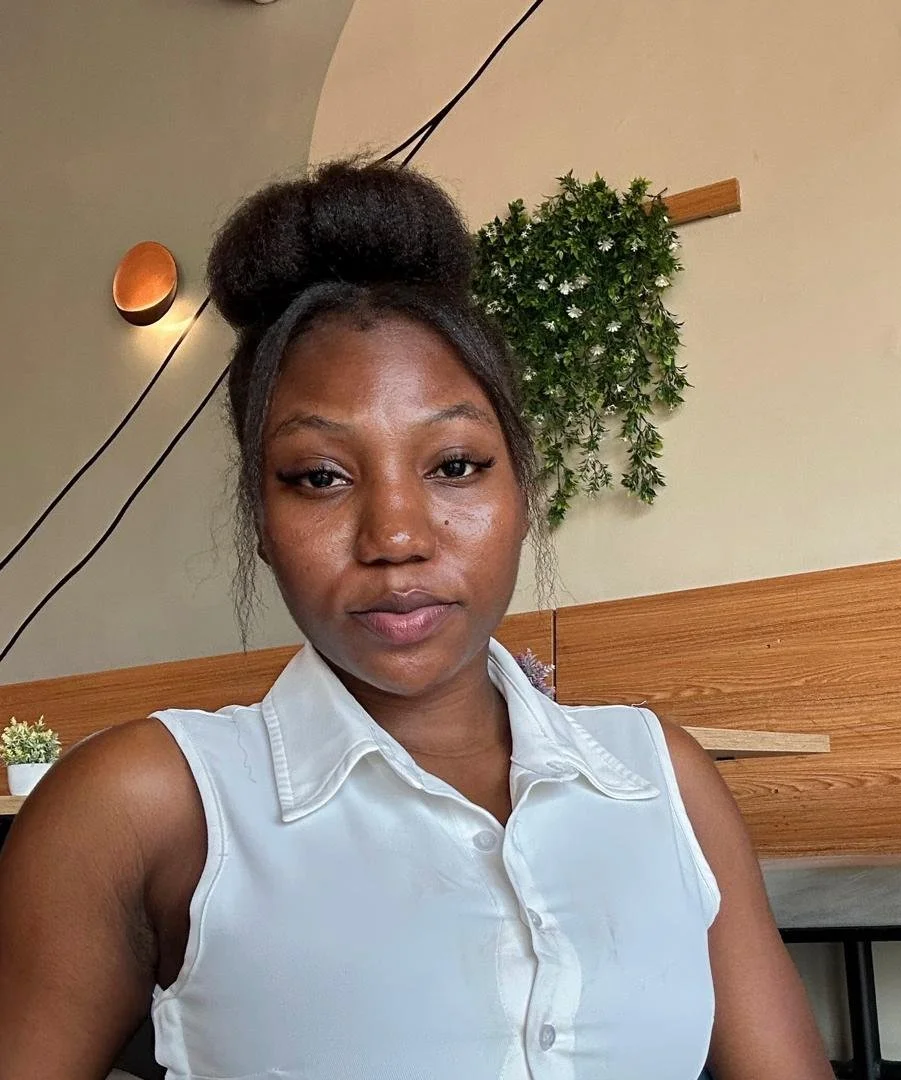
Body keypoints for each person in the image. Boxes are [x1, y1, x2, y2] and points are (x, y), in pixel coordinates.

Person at [0, 160, 833, 1080]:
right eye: (319, 477)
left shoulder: (659, 781)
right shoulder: (144, 809)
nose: (395, 536)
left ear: (523, 486)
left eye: (454, 466)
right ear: (260, 522)